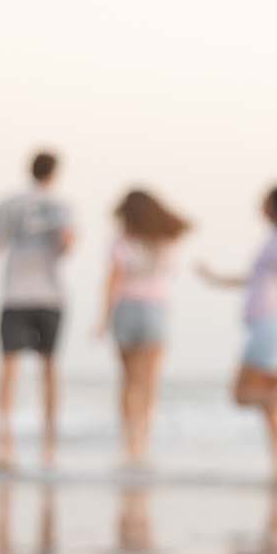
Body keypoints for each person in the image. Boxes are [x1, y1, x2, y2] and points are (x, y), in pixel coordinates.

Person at [198, 185, 277, 483]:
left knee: (241, 394)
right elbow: (255, 279)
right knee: (275, 408)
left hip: (272, 327)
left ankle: (275, 401)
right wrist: (214, 278)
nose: (259, 206)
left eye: (265, 202)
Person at [0, 149, 76, 471]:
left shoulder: (8, 203)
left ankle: (4, 440)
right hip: (50, 295)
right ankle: (49, 444)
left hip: (15, 293)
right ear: (55, 173)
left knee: (9, 368)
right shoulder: (62, 206)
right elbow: (67, 246)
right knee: (49, 369)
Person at [96, 189, 191, 469]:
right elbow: (172, 273)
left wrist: (103, 317)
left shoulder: (121, 241)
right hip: (156, 309)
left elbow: (112, 279)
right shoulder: (166, 241)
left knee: (128, 381)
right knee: (150, 381)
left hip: (126, 308)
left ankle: (130, 442)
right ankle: (144, 441)